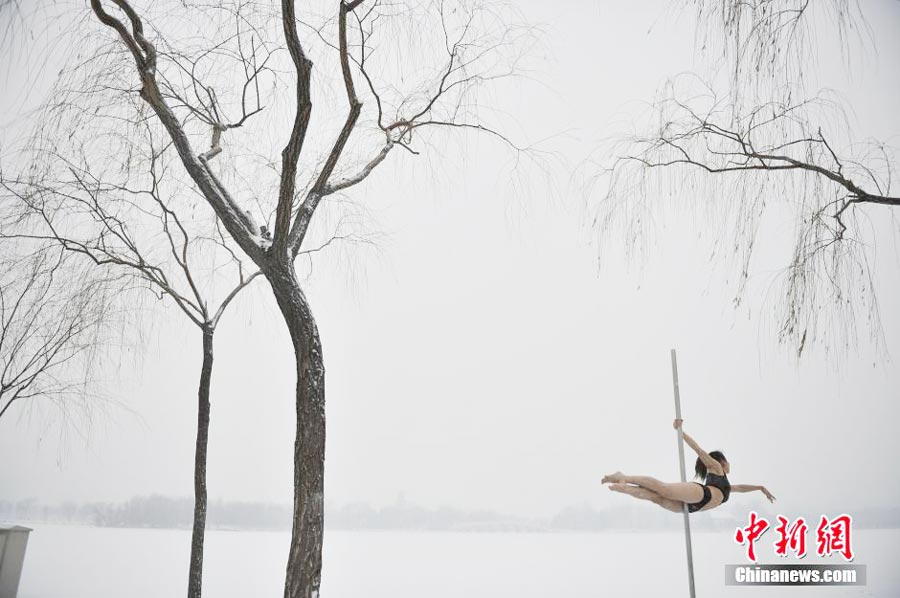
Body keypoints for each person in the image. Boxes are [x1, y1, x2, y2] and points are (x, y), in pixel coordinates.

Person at [601, 419, 776, 513]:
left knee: (657, 498)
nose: (729, 465)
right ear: (722, 461)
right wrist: (680, 432)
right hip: (701, 494)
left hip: (695, 507)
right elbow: (698, 450)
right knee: (664, 489)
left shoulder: (726, 485)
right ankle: (624, 476)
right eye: (728, 461)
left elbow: (740, 488)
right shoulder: (715, 466)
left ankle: (623, 488)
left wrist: (760, 488)